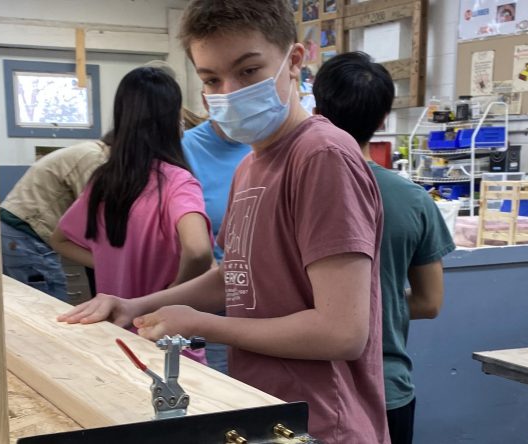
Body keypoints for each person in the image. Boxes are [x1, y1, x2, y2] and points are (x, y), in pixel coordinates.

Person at [57, 1, 388, 442]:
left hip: (324, 423)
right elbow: (232, 276)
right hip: (268, 412)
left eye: (248, 71)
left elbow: (341, 331)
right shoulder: (251, 166)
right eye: (212, 79)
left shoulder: (321, 156)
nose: (229, 91)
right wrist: (136, 306)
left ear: (293, 61)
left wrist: (198, 323)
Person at [313, 51, 455, 444]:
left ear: (316, 111)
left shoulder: (292, 188)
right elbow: (429, 302)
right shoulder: (412, 200)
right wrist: (374, 303)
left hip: (310, 385)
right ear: (382, 120)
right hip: (384, 386)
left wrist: (337, 310)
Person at [49, 67, 214, 364]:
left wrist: (110, 260)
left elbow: (60, 239)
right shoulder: (177, 181)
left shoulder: (105, 181)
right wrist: (175, 289)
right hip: (168, 343)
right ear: (173, 120)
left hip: (116, 338)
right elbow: (199, 249)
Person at [181, 103, 251, 374]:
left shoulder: (266, 149)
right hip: (212, 297)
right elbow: (194, 246)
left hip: (260, 304)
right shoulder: (186, 148)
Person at [0, 138, 108, 301]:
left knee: (36, 306)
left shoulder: (86, 151)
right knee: (49, 307)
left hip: (17, 230)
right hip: (26, 233)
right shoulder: (94, 158)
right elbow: (97, 215)